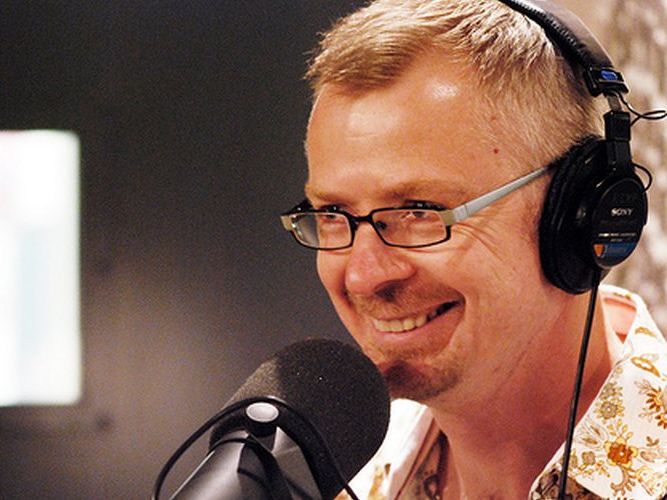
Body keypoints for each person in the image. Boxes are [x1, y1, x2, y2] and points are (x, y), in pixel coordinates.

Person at [279, 0, 667, 498]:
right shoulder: (354, 479)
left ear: (575, 215)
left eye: (419, 212)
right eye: (333, 214)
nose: (363, 275)